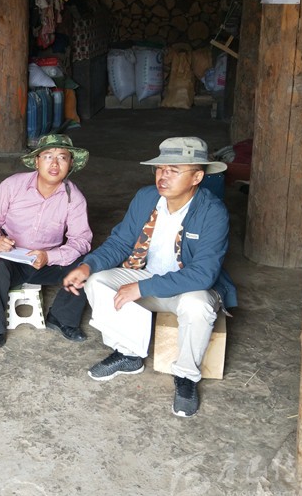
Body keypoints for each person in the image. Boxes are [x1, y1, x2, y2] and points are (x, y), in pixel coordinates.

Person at [62, 136, 237, 417]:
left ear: (197, 177)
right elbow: (120, 243)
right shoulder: (146, 198)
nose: (163, 176)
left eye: (174, 170)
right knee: (97, 282)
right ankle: (129, 354)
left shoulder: (212, 212)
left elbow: (203, 274)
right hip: (144, 275)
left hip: (186, 288)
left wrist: (142, 287)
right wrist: (88, 266)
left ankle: (186, 377)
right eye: (160, 169)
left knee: (198, 306)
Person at [0, 134, 93, 357]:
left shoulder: (74, 197)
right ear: (37, 161)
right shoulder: (13, 185)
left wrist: (50, 257)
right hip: (12, 259)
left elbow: (81, 240)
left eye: (62, 157)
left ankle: (61, 318)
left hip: (46, 262)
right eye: (48, 156)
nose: (55, 164)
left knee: (88, 263)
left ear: (70, 164)